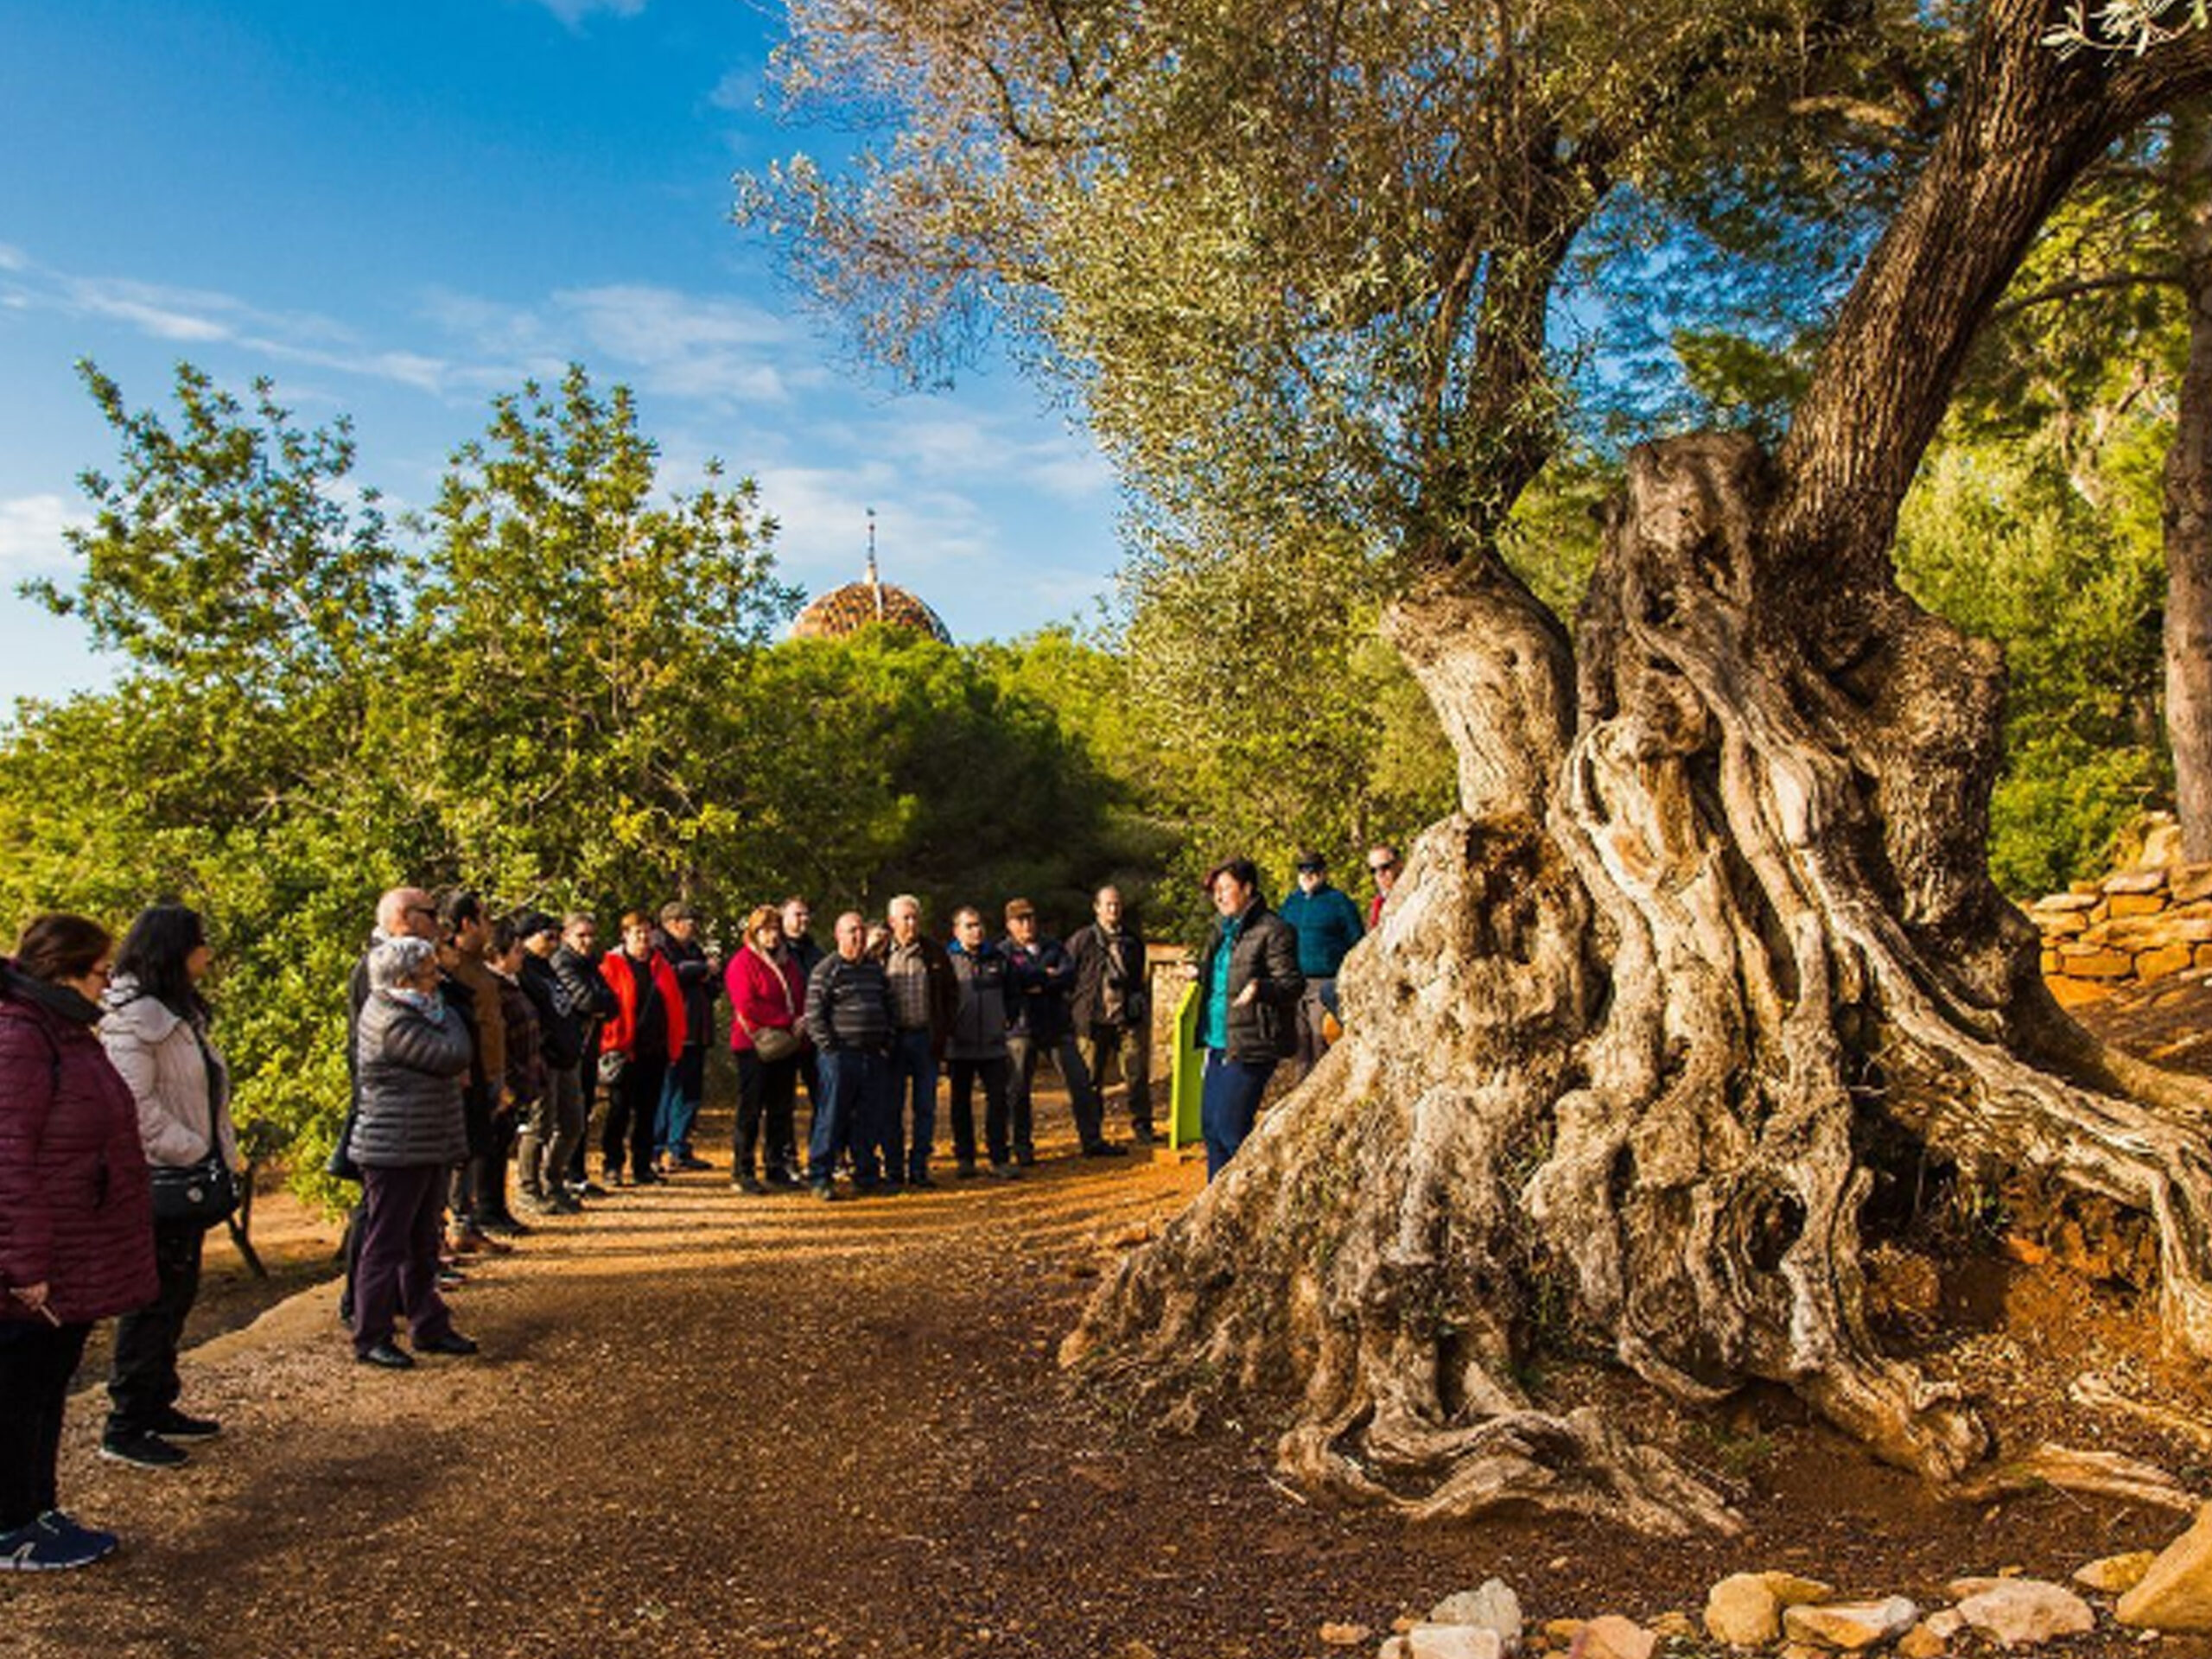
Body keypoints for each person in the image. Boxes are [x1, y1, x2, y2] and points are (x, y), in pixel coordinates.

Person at [0, 913, 155, 1570]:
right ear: (64, 972)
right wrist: (23, 1265)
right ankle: (11, 1527)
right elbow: (9, 1160)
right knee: (17, 1394)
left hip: (73, 1246)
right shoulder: (21, 1038)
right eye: (100, 971)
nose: (108, 983)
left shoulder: (64, 1030)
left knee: (44, 1389)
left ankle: (37, 1509)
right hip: (40, 1257)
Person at [98, 904, 238, 1470]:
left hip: (186, 1175)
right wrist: (193, 1149)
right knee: (151, 1301)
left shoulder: (178, 1014)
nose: (208, 953)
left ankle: (156, 1403)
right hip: (159, 1178)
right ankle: (127, 1422)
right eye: (200, 942)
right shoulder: (135, 1019)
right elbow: (134, 1107)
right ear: (175, 950)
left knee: (176, 1295)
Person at [350, 937, 479, 1368]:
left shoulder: (416, 1012)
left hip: (422, 1141)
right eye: (429, 974)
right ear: (404, 980)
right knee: (386, 1245)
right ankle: (372, 1336)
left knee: (423, 1242)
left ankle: (429, 1324)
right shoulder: (391, 1019)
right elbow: (454, 1053)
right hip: (394, 1148)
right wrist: (453, 1018)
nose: (437, 981)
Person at [1193, 857, 1304, 1179]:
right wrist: (1198, 972)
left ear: (1247, 888)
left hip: (1252, 1043)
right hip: (1218, 1039)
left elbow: (1292, 984)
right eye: (1216, 890)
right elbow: (1224, 975)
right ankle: (1216, 1201)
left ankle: (1255, 1192)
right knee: (1211, 1129)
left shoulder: (1274, 930)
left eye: (1226, 888)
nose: (1219, 896)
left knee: (1231, 1129)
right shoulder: (1221, 929)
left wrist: (1260, 987)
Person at [1001, 899, 1115, 1161]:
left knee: (1081, 1083)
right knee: (1019, 1090)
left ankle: (1092, 1140)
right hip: (1021, 1027)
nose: (1027, 924)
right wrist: (1046, 977)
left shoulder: (1053, 946)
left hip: (1056, 1025)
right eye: (1020, 920)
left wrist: (1037, 980)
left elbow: (1069, 975)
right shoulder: (1004, 953)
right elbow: (1015, 981)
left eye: (1030, 918)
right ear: (1009, 924)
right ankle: (1022, 1147)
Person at [802, 912, 893, 1199]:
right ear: (838, 935)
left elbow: (888, 1005)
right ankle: (820, 1176)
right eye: (851, 931)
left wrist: (886, 1041)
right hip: (840, 1056)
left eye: (861, 931)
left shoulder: (875, 969)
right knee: (831, 1117)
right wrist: (829, 1047)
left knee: (869, 1117)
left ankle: (866, 1175)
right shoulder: (827, 969)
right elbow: (813, 1014)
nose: (858, 936)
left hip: (873, 1055)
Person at [439, 891, 513, 1244]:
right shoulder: (449, 966)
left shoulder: (477, 964)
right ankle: (457, 1222)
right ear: (467, 923)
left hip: (490, 1070)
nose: (489, 927)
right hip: (468, 1073)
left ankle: (469, 1221)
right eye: (484, 919)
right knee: (461, 1151)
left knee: (479, 1146)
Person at [599, 911, 686, 1187]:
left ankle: (642, 1166)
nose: (644, 937)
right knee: (619, 1110)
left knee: (648, 1111)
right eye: (637, 932)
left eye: (648, 931)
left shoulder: (662, 966)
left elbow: (674, 1007)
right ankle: (612, 1165)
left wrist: (674, 1046)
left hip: (655, 1050)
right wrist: (611, 1043)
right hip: (624, 1050)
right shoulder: (611, 965)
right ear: (625, 935)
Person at [726, 905, 806, 1193]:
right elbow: (747, 1004)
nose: (772, 936)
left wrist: (800, 1022)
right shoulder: (742, 963)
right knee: (751, 1108)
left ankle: (776, 1165)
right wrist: (786, 1020)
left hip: (785, 1043)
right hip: (754, 1044)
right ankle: (743, 1169)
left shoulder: (788, 963)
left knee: (781, 1108)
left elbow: (799, 994)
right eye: (765, 930)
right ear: (754, 932)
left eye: (775, 930)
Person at [1067, 885, 1155, 1147]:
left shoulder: (1133, 941)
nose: (1113, 909)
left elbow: (1139, 979)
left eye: (1117, 904)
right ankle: (1092, 1134)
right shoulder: (1082, 940)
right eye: (1108, 904)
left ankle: (1143, 1126)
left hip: (1126, 1019)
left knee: (1136, 1076)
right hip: (1092, 1021)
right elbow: (1067, 976)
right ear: (1097, 908)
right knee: (1091, 1080)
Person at [879, 894, 957, 1188]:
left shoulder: (934, 953)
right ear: (892, 922)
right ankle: (893, 1168)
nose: (911, 923)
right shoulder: (879, 954)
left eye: (915, 917)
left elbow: (951, 995)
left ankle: (919, 1167)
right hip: (893, 1042)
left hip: (926, 1039)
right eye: (905, 918)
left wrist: (944, 1032)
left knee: (925, 1108)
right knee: (891, 1108)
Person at [515, 912, 587, 1215]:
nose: (554, 942)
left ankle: (554, 1181)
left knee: (573, 1124)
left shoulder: (548, 967)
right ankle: (528, 1188)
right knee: (539, 1125)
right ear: (528, 937)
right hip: (543, 1059)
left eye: (558, 935)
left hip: (567, 1058)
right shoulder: (524, 971)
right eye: (548, 935)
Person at [943, 906, 1016, 1178]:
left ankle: (999, 1158)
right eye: (970, 926)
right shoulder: (946, 961)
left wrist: (1008, 1019)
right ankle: (965, 1158)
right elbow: (939, 1001)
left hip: (994, 1044)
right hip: (959, 1045)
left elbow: (1013, 993)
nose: (977, 930)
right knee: (960, 1103)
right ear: (957, 931)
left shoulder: (998, 958)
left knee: (998, 1101)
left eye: (979, 925)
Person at [1276, 851, 1364, 1076]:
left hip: (1325, 982)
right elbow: (1277, 939)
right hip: (1294, 982)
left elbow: (1358, 943)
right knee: (1299, 1043)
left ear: (1324, 873)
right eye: (1303, 870)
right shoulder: (1290, 903)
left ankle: (1324, 1086)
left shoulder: (1339, 902)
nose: (1308, 875)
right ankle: (1301, 1089)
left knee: (1321, 1039)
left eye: (1313, 870)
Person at [652, 901, 718, 1174]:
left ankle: (679, 1148)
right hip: (673, 1032)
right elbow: (670, 974)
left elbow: (713, 984)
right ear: (673, 923)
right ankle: (655, 1151)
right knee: (667, 1092)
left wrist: (708, 974)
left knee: (690, 1093)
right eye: (690, 921)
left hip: (697, 1031)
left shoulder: (693, 949)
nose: (694, 926)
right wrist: (702, 970)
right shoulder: (659, 947)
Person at [552, 912, 614, 1198]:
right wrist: (598, 1004)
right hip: (569, 1049)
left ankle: (577, 1173)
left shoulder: (589, 964)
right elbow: (587, 1000)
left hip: (589, 1047)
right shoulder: (562, 962)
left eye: (591, 935)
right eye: (581, 936)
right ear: (566, 936)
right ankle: (564, 1174)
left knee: (583, 1111)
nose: (588, 941)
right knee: (568, 1115)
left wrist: (600, 1004)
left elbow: (612, 1002)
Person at [1365, 843, 1402, 930]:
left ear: (1399, 864)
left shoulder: (1418, 893)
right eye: (1373, 870)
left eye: (1385, 867)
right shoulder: (1378, 904)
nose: (1379, 874)